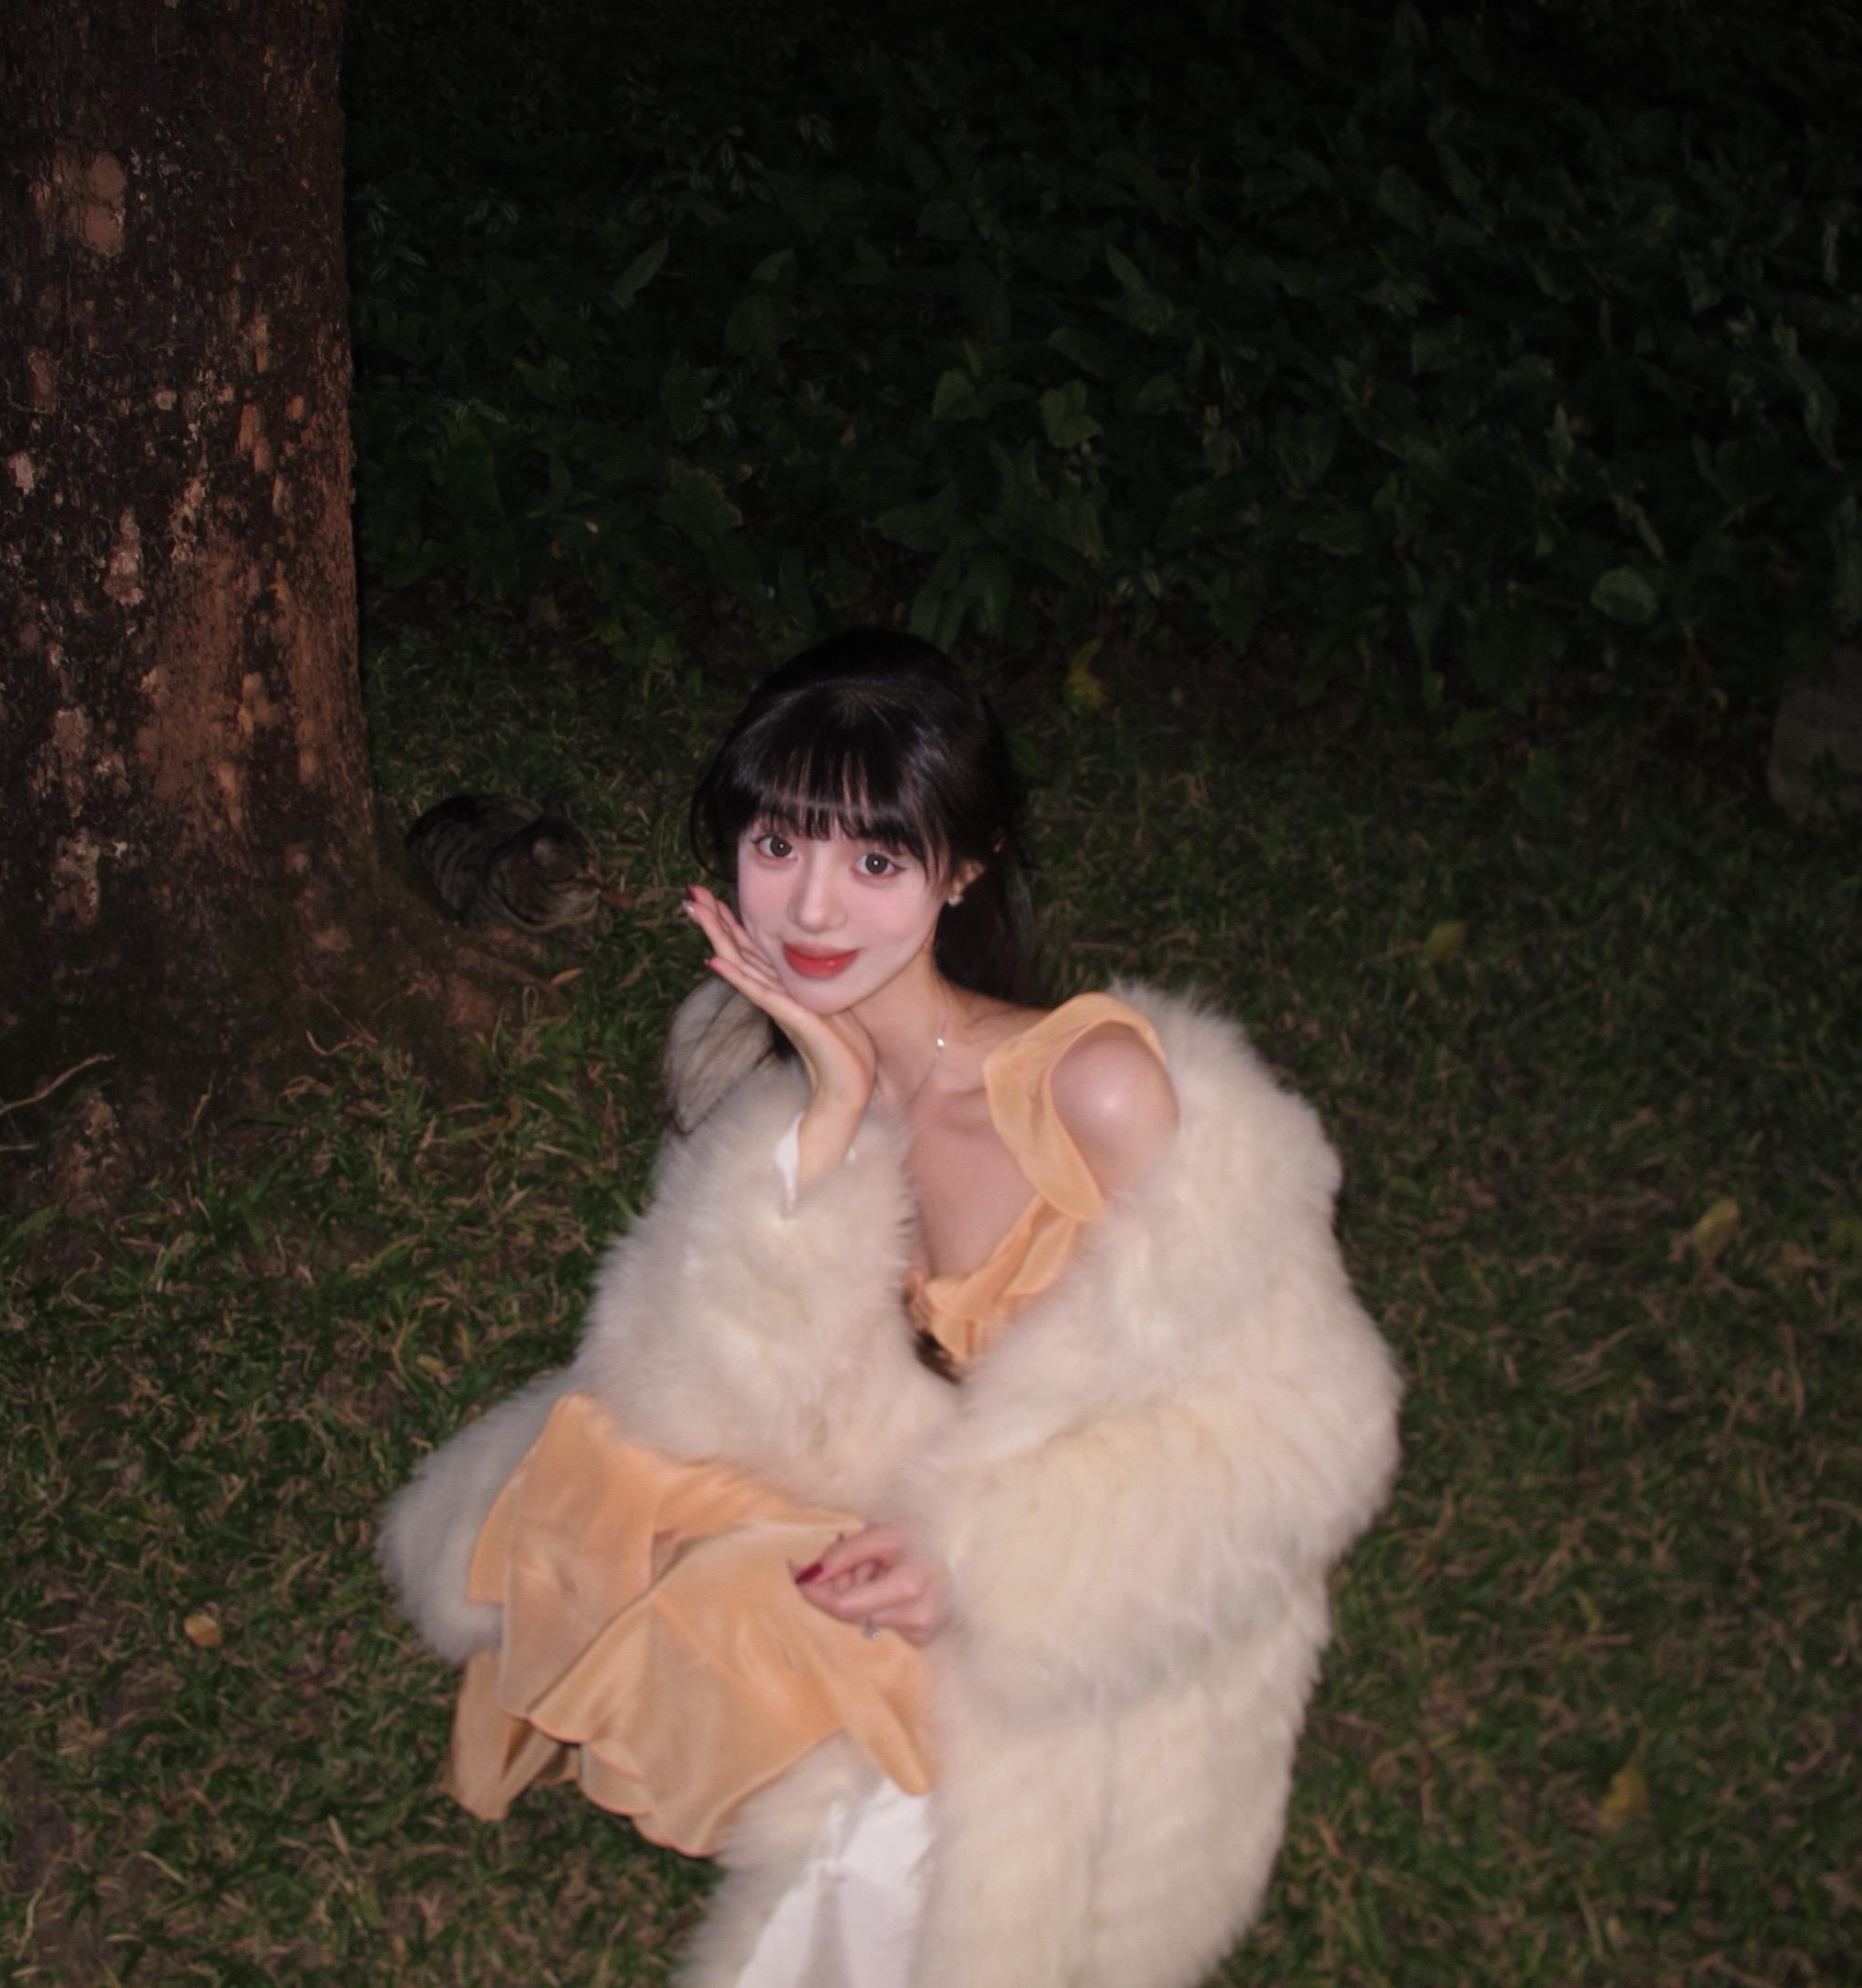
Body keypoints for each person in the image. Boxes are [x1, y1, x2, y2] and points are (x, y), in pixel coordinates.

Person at [379, 630, 1401, 1988]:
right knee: (606, 1473)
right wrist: (828, 1120)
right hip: (883, 1472)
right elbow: (712, 1387)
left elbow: (1302, 1424)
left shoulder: (1094, 1087)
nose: (811, 910)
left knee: (905, 1844)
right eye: (777, 844)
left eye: (875, 862)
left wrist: (976, 1560)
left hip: (1101, 1552)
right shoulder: (745, 1052)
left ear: (962, 869)